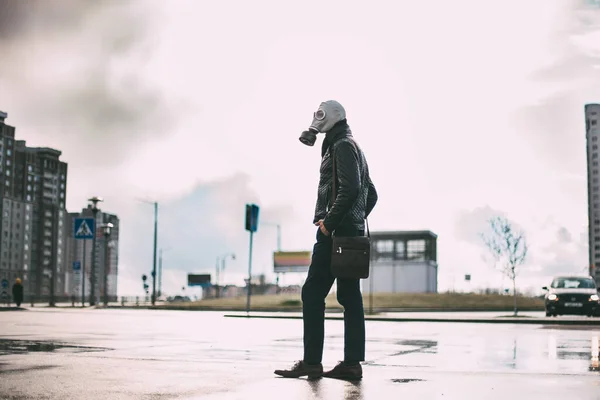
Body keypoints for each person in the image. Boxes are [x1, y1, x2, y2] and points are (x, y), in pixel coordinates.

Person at [275, 100, 378, 380]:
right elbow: (371, 194)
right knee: (349, 297)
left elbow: (352, 188)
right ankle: (351, 364)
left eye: (321, 114)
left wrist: (329, 225)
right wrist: (355, 219)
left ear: (334, 117)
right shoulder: (352, 145)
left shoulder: (342, 146)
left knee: (312, 293)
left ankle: (311, 363)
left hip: (334, 235)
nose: (316, 118)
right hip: (349, 233)